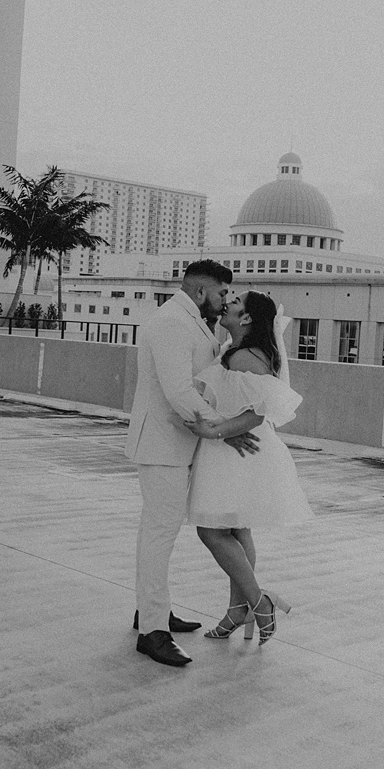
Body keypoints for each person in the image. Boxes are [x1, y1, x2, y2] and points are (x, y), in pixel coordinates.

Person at [124, 261, 260, 667]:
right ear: (201, 291)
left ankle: (153, 611)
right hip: (161, 446)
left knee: (161, 534)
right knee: (158, 534)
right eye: (221, 294)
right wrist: (225, 429)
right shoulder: (170, 323)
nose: (225, 303)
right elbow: (179, 391)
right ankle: (152, 632)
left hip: (179, 444)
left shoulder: (192, 321)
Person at [183, 290, 313, 646]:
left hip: (238, 451)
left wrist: (216, 431)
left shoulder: (245, 357)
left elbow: (257, 413)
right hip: (234, 449)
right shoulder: (236, 351)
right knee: (237, 530)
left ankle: (258, 601)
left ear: (247, 319)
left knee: (211, 531)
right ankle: (237, 609)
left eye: (236, 301)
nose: (228, 303)